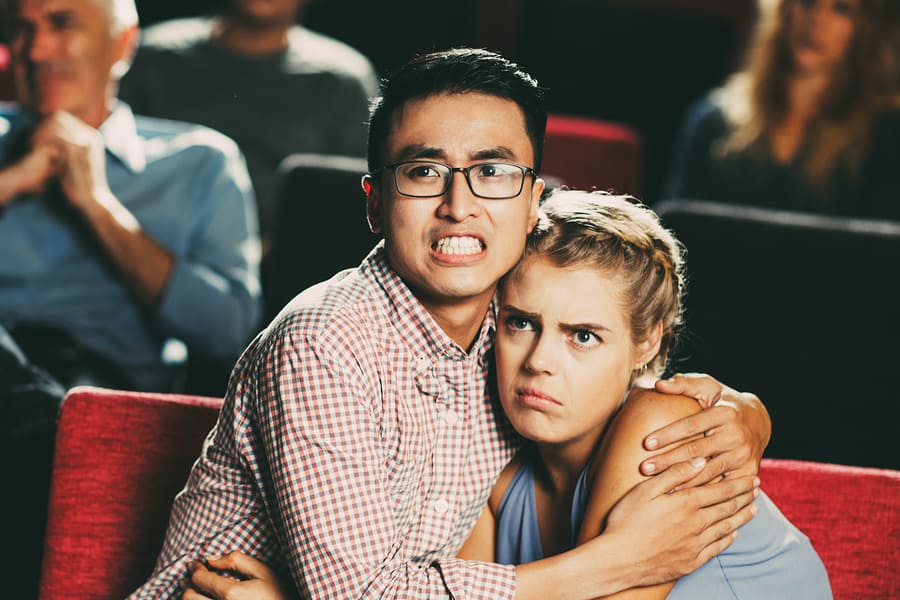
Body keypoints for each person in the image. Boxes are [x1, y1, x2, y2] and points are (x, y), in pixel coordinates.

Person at [132, 48, 769, 600]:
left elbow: (613, 376)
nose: (458, 206)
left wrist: (746, 415)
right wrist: (611, 563)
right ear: (376, 205)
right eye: (422, 171)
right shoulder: (323, 344)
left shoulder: (514, 331)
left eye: (492, 172)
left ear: (532, 204)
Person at [453, 190, 832, 598]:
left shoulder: (659, 424)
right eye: (522, 324)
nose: (538, 361)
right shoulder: (492, 473)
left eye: (583, 336)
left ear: (648, 343)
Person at [0, 0, 262, 393]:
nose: (36, 51)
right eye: (22, 29)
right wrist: (11, 182)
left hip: (97, 398)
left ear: (123, 44)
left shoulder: (199, 162)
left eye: (62, 23)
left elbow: (227, 333)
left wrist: (98, 206)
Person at [119, 0, 379, 246]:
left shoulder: (342, 80)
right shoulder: (152, 58)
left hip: (289, 271)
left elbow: (356, 198)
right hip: (150, 250)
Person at [663, 0, 900, 220]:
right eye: (807, 1)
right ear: (782, 10)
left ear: (863, 30)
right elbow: (678, 236)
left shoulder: (883, 135)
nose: (817, 19)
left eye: (841, 8)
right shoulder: (713, 121)